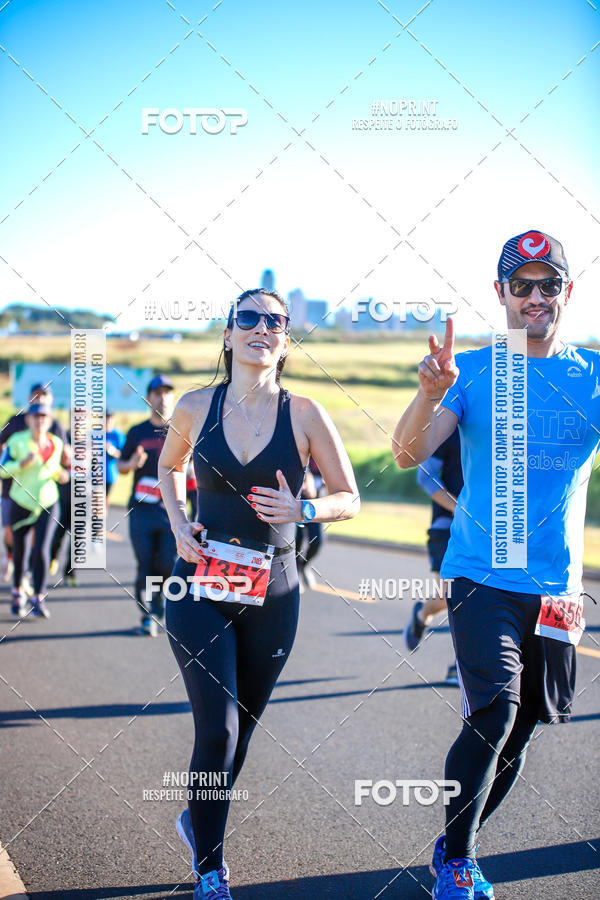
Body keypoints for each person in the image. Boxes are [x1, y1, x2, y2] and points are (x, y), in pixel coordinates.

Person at [392, 230, 599, 900]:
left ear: (567, 291)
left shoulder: (593, 375)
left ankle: (454, 842)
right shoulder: (475, 371)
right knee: (494, 712)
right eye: (521, 284)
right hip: (481, 572)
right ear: (501, 293)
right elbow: (406, 454)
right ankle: (458, 860)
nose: (535, 296)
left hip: (559, 586)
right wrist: (429, 394)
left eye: (548, 284)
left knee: (527, 723)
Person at [158, 288, 359, 899]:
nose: (261, 328)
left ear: (286, 340)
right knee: (217, 731)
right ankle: (210, 870)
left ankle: (197, 820)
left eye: (275, 321)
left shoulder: (306, 414)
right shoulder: (195, 405)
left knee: (240, 733)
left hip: (275, 592)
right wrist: (178, 522)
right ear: (228, 334)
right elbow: (168, 467)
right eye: (248, 318)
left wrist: (305, 510)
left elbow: (350, 497)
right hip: (198, 584)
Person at [118, 376, 177, 637]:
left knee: (167, 563)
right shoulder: (137, 432)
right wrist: (132, 463)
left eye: (167, 392)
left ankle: (160, 604)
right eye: (157, 393)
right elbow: (121, 466)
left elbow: (194, 472)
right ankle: (148, 614)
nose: (163, 398)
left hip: (171, 511)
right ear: (148, 398)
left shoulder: (181, 430)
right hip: (141, 510)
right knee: (145, 564)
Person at [403, 427, 463, 685]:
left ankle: (461, 666)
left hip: (489, 533)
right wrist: (460, 508)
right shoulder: (450, 428)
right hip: (447, 526)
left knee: (482, 598)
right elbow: (425, 476)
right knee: (453, 596)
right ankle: (422, 616)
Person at [0, 402, 69, 617]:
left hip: (48, 503)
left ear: (49, 421)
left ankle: (38, 598)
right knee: (19, 552)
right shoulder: (17, 441)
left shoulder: (56, 443)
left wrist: (63, 475)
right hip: (21, 502)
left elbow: (56, 469)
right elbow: (2, 470)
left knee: (41, 550)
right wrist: (21, 464)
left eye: (44, 417)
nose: (40, 421)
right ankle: (17, 593)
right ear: (28, 419)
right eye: (36, 416)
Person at [295, 456, 324, 591]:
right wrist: (307, 480)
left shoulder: (326, 451)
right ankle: (295, 573)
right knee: (297, 540)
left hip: (316, 504)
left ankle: (304, 566)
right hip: (298, 503)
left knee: (317, 540)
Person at [105, 410, 125, 508]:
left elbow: (124, 455)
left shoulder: (118, 435)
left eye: (110, 418)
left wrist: (112, 451)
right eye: (106, 418)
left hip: (110, 475)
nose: (107, 420)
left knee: (103, 500)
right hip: (94, 475)